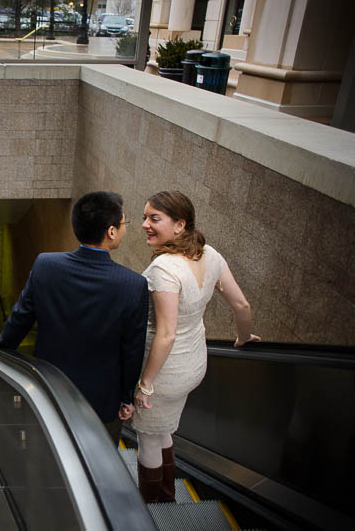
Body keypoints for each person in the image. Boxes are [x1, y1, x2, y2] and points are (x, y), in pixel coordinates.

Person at [0, 191, 149, 445]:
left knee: (53, 447)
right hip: (102, 398)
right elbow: (133, 349)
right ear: (111, 232)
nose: (124, 228)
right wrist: (127, 396)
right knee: (101, 456)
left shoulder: (46, 266)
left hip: (52, 388)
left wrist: (3, 344)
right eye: (123, 223)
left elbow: (22, 314)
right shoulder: (133, 285)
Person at [133, 190, 260, 503]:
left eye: (154, 219)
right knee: (163, 429)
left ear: (180, 225)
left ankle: (155, 506)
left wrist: (145, 385)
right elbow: (242, 306)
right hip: (194, 364)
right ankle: (166, 495)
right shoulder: (210, 255)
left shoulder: (165, 269)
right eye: (145, 217)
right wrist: (244, 338)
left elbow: (166, 334)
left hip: (163, 373)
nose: (145, 224)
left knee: (148, 437)